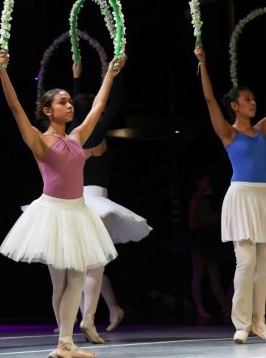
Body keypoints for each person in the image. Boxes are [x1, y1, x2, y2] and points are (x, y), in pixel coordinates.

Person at [0, 49, 123, 358]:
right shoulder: (39, 140)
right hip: (53, 213)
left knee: (77, 277)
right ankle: (64, 342)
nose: (69, 106)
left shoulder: (77, 137)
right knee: (61, 283)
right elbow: (14, 107)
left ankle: (65, 342)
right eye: (63, 102)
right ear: (47, 110)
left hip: (78, 211)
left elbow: (99, 106)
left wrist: (110, 74)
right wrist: (2, 71)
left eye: (70, 102)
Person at [193, 45, 266, 343]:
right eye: (247, 99)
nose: (253, 103)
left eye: (254, 99)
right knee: (245, 262)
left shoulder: (262, 130)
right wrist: (203, 64)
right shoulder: (229, 133)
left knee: (261, 264)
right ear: (235, 106)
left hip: (262, 198)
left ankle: (259, 323)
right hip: (241, 197)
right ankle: (241, 324)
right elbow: (209, 99)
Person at [68, 61, 151, 342]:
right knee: (94, 263)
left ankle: (88, 317)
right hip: (95, 201)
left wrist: (77, 77)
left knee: (81, 265)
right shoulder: (97, 130)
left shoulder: (73, 134)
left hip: (76, 202)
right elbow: (113, 103)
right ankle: (90, 318)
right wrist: (117, 73)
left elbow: (81, 105)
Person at [188, 172, 229, 321]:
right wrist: (209, 221)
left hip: (208, 241)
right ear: (199, 182)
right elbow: (192, 224)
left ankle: (226, 307)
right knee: (198, 274)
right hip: (199, 242)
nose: (209, 183)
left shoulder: (205, 199)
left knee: (214, 275)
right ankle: (199, 308)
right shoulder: (195, 199)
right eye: (206, 181)